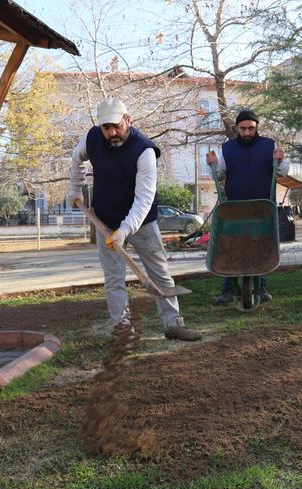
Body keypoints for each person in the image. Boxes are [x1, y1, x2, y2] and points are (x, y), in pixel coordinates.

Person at [66, 97, 202, 341]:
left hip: (142, 222)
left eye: (116, 126)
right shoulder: (92, 138)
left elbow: (144, 200)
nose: (112, 132)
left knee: (159, 274)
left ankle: (173, 324)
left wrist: (125, 230)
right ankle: (123, 328)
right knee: (113, 277)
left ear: (128, 120)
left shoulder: (144, 150)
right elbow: (76, 159)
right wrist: (75, 190)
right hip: (105, 219)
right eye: (106, 128)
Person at [206, 110, 290, 305]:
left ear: (257, 127)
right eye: (243, 129)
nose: (247, 133)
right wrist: (213, 165)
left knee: (261, 244)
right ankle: (228, 288)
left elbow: (282, 173)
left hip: (262, 206)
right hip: (235, 207)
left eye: (251, 128)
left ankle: (261, 287)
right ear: (237, 128)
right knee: (232, 245)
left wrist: (281, 159)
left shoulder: (269, 146)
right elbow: (219, 176)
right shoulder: (227, 148)